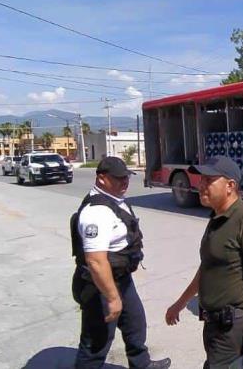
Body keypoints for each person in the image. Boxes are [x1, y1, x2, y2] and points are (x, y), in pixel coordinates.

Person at [165, 156, 243, 369]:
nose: (201, 185)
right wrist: (181, 302)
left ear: (230, 186)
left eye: (209, 180)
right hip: (214, 324)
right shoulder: (217, 218)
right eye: (202, 179)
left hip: (233, 328)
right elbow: (208, 266)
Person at [70, 156, 171, 369]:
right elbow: (96, 262)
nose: (124, 182)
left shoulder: (114, 199)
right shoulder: (96, 213)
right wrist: (112, 297)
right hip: (100, 285)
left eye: (126, 177)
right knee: (95, 342)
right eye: (118, 179)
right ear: (101, 178)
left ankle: (141, 364)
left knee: (135, 325)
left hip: (121, 278)